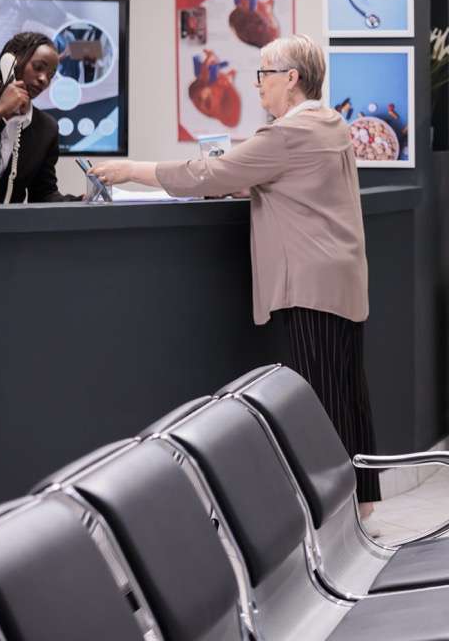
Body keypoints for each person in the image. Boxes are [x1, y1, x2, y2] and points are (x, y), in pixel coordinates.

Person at [91, 34, 382, 517]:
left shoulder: (289, 133)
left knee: (322, 396)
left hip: (309, 280)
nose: (258, 86)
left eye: (265, 75)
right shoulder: (328, 123)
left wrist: (131, 170)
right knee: (346, 389)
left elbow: (212, 174)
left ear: (291, 78)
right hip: (339, 274)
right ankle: (363, 502)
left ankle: (338, 513)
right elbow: (264, 178)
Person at [0, 32, 79, 204]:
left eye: (50, 75)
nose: (44, 79)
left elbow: (44, 194)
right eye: (38, 67)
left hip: (8, 228)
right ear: (11, 63)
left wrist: (82, 202)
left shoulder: (47, 128)